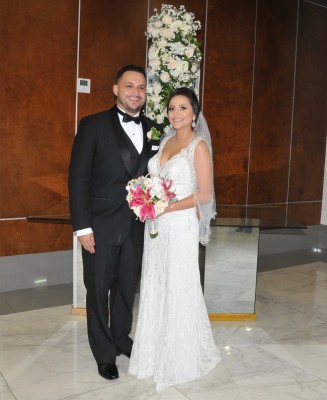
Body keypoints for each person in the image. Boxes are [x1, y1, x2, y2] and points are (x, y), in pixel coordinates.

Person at [68, 65, 161, 381]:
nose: (136, 92)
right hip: (100, 227)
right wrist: (82, 227)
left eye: (142, 88)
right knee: (97, 291)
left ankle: (121, 338)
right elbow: (78, 178)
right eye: (130, 86)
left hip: (137, 226)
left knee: (126, 289)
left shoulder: (152, 128)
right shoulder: (92, 125)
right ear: (115, 89)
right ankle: (104, 353)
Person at [129, 87, 220, 391]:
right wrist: (146, 198)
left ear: (194, 113)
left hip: (180, 225)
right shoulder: (166, 141)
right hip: (156, 226)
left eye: (183, 108)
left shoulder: (199, 146)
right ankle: (153, 354)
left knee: (178, 284)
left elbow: (204, 194)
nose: (176, 114)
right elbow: (156, 179)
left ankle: (180, 358)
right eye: (171, 108)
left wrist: (167, 206)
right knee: (156, 283)